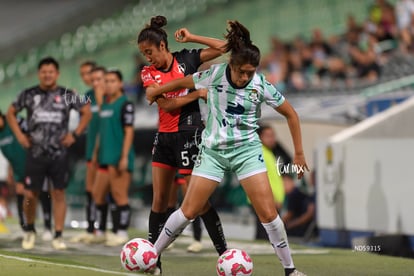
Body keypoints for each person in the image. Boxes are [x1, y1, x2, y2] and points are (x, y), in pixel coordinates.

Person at [146, 21, 308, 276]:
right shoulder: (216, 74)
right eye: (241, 71)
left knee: (268, 215)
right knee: (188, 211)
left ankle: (290, 269)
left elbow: (291, 115)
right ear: (231, 65)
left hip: (246, 152)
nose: (245, 77)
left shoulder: (261, 84)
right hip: (213, 152)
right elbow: (184, 81)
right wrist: (158, 90)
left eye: (250, 72)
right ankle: (151, 256)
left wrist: (298, 153)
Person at [137, 15, 228, 273]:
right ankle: (153, 262)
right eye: (144, 54)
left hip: (189, 134)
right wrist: (197, 93)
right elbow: (164, 104)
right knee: (159, 201)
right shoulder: (147, 72)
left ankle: (225, 254)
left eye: (150, 52)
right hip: (164, 137)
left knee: (196, 202)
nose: (148, 58)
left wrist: (192, 37)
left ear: (163, 46)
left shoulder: (188, 58)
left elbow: (225, 47)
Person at [6, 57, 91, 250]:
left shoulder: (67, 93)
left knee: (59, 193)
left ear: (57, 74)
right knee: (30, 193)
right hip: (35, 152)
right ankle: (29, 230)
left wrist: (75, 134)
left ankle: (58, 235)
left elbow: (87, 110)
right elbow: (11, 113)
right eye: (44, 72)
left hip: (59, 153)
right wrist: (20, 136)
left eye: (51, 72)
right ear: (39, 74)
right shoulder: (28, 94)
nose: (47, 75)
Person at [92, 69, 135, 246]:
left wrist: (124, 156)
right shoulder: (106, 105)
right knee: (98, 194)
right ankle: (101, 230)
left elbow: (129, 131)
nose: (108, 84)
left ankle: (122, 231)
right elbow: (102, 131)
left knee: (119, 195)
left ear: (120, 84)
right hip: (105, 157)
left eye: (112, 81)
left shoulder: (126, 104)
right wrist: (96, 151)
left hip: (118, 157)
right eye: (106, 81)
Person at [0, 111, 53, 240]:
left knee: (42, 192)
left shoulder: (15, 122)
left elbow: (34, 134)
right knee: (21, 193)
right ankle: (27, 228)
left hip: (34, 163)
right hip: (18, 168)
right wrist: (10, 171)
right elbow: (10, 154)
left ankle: (47, 227)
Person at [250, 124, 285, 240]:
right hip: (265, 199)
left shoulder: (269, 153)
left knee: (268, 233)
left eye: (273, 135)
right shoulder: (260, 153)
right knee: (266, 234)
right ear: (259, 137)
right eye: (268, 136)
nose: (272, 139)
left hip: (269, 200)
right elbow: (261, 179)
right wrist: (271, 198)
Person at [281, 173, 315, 238]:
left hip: (301, 228)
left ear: (290, 181)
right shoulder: (297, 192)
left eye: (284, 183)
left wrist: (277, 224)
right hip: (304, 226)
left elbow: (289, 215)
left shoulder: (293, 194)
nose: (283, 186)